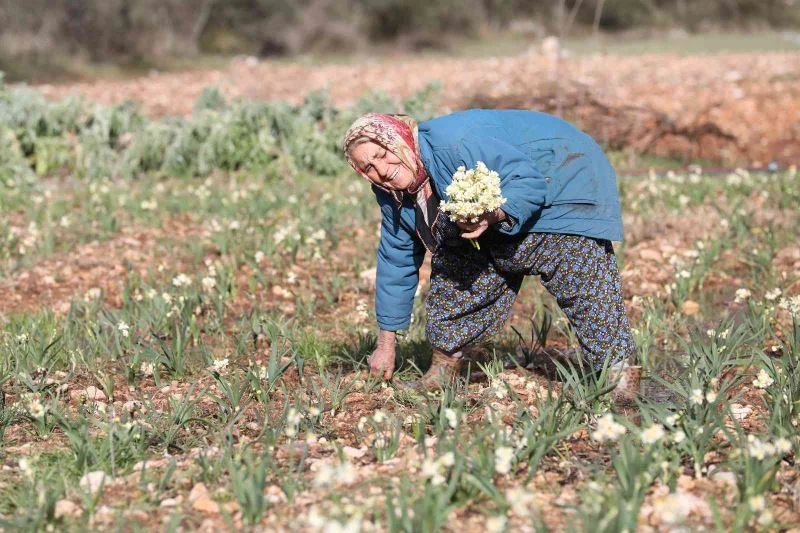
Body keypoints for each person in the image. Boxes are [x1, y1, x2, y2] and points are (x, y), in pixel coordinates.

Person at [342, 109, 640, 400]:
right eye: (368, 168)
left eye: (382, 155)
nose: (380, 170)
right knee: (456, 264)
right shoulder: (391, 191)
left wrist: (493, 214)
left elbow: (527, 182)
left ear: (400, 140)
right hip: (498, 206)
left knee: (578, 271)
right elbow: (397, 257)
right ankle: (443, 370)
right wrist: (386, 344)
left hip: (562, 173)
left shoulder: (456, 143)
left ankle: (619, 378)